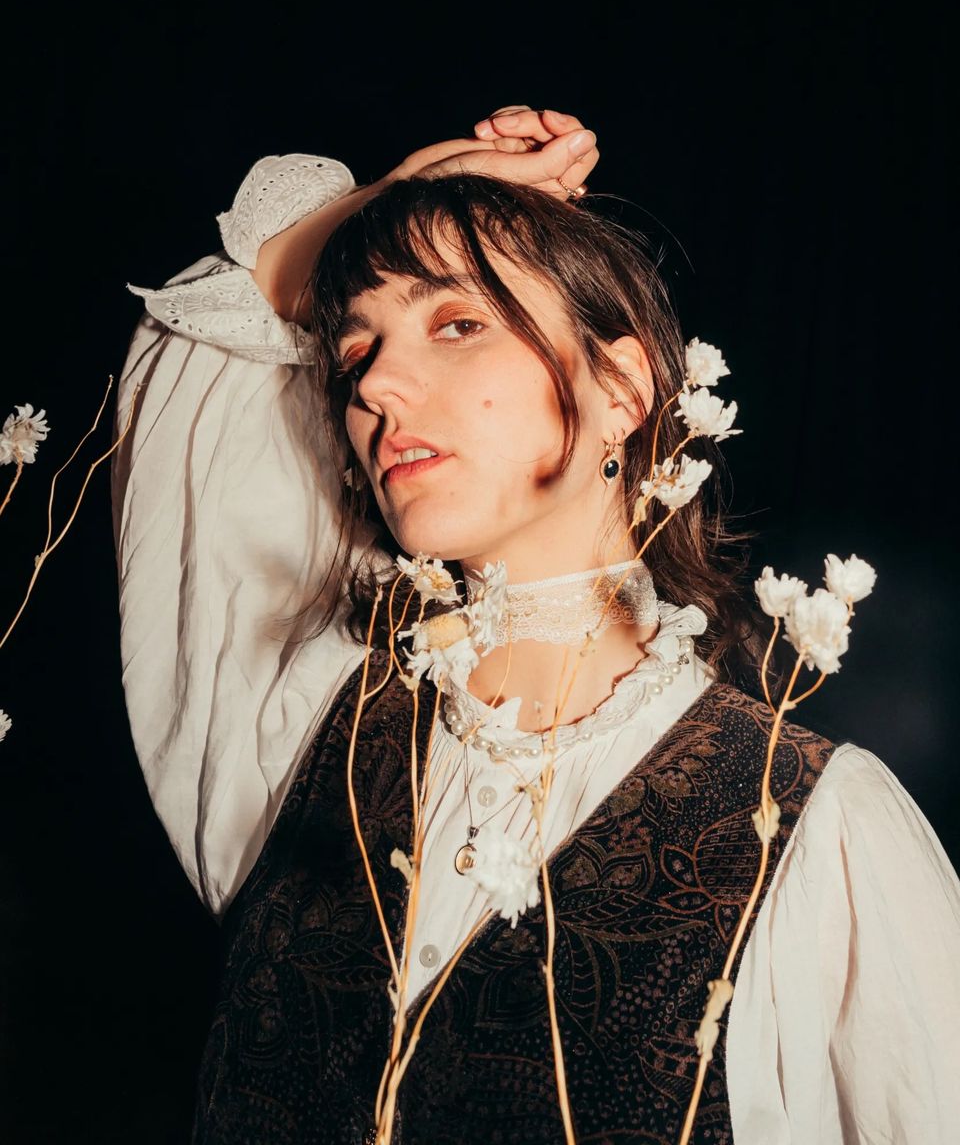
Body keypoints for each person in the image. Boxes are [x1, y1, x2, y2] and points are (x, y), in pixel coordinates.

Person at [112, 108, 960, 1144]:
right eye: (356, 349)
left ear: (623, 388)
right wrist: (405, 192)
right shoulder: (298, 726)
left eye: (456, 324)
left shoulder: (818, 830)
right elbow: (191, 361)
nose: (375, 383)